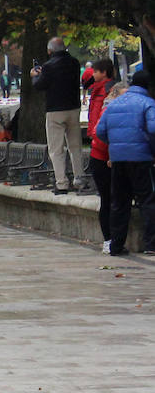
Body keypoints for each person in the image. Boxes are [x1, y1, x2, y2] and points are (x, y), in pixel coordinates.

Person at [95, 71, 155, 256]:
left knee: (119, 202)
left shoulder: (114, 104)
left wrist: (115, 144)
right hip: (141, 158)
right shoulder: (148, 103)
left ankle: (116, 245)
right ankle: (151, 244)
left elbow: (100, 131)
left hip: (118, 159)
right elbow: (153, 129)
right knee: (147, 200)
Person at [31, 37, 84, 194]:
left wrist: (35, 75)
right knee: (75, 146)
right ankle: (79, 179)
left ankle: (62, 183)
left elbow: (40, 85)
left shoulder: (48, 66)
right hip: (73, 108)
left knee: (56, 149)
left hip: (55, 110)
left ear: (50, 50)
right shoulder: (74, 63)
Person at [87, 59, 117, 254]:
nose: (92, 74)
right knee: (108, 198)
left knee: (112, 198)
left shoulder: (106, 91)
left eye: (95, 71)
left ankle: (113, 239)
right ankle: (110, 239)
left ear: (104, 72)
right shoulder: (97, 90)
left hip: (104, 150)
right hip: (100, 151)